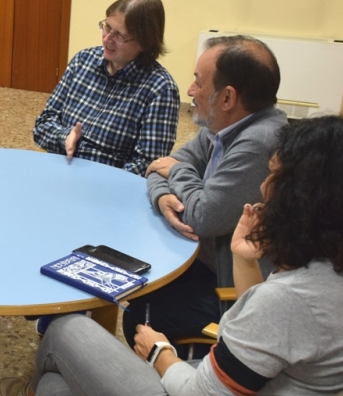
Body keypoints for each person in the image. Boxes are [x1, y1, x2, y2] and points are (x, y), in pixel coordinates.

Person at [20, 115, 343, 396]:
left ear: (307, 197)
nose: (264, 186)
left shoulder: (292, 299)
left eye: (275, 176)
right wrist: (243, 260)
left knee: (67, 329)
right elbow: (267, 338)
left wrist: (160, 353)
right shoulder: (334, 275)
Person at [121, 35, 288, 357]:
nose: (190, 91)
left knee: (137, 317)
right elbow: (161, 167)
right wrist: (161, 196)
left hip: (231, 287)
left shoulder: (258, 142)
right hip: (201, 257)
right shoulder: (223, 125)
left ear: (227, 97)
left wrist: (177, 175)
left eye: (198, 82)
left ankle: (172, 383)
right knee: (131, 279)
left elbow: (204, 215)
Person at [32, 0, 180, 176]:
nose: (107, 39)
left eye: (119, 35)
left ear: (144, 42)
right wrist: (65, 137)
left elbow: (148, 166)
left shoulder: (160, 89)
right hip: (61, 173)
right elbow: (42, 124)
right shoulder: (83, 61)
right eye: (107, 27)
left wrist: (95, 178)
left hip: (108, 189)